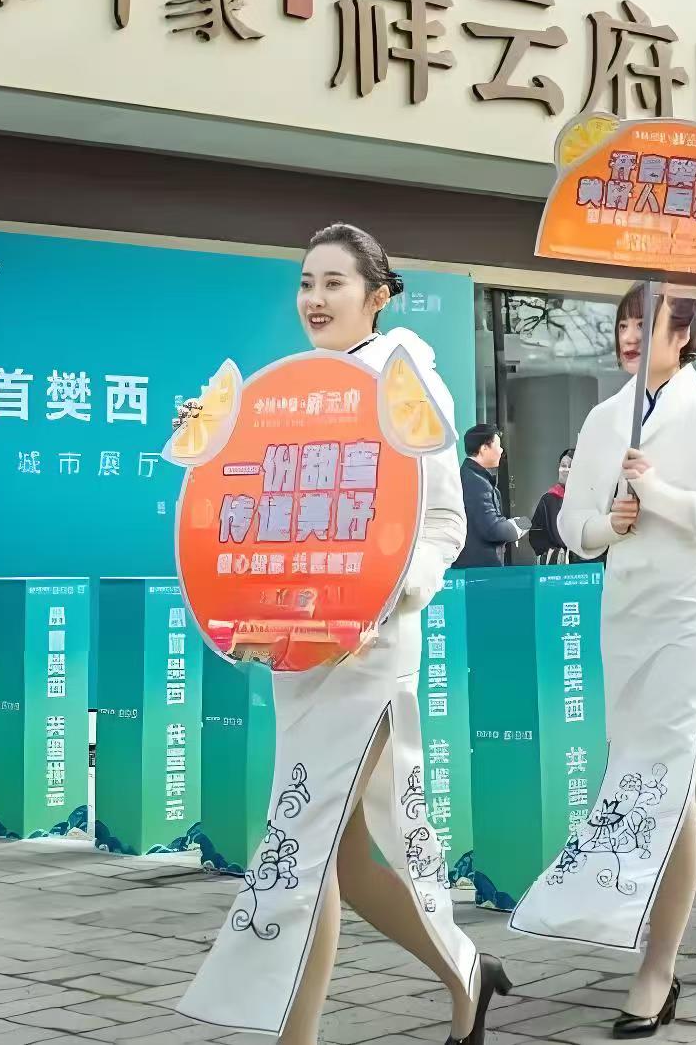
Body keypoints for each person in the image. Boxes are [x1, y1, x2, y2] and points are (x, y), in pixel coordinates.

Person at [180, 224, 512, 1045]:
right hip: (300, 648)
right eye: (306, 283)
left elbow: (442, 523)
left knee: (306, 844)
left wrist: (395, 595)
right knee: (349, 856)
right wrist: (218, 447)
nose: (315, 299)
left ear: (378, 294)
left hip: (369, 650)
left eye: (334, 282)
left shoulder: (405, 382)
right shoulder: (293, 393)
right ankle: (469, 975)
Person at [511, 285, 696, 1035]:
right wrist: (610, 524)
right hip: (622, 615)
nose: (629, 335)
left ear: (682, 335)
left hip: (688, 613)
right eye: (622, 323)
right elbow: (572, 524)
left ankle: (657, 968)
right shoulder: (602, 419)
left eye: (645, 324)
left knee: (663, 783)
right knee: (676, 779)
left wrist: (659, 493)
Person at [457, 424, 524, 569]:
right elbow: (492, 529)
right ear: (484, 448)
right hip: (479, 569)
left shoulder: (475, 477)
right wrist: (520, 525)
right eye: (498, 445)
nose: (501, 451)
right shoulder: (475, 482)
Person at [527, 448, 576, 563]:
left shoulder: (586, 500)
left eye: (571, 466)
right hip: (557, 565)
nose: (565, 470)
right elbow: (535, 534)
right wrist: (550, 552)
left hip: (582, 564)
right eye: (563, 466)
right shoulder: (549, 499)